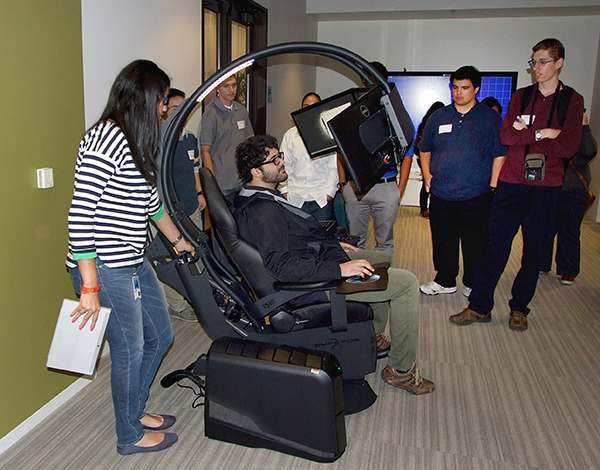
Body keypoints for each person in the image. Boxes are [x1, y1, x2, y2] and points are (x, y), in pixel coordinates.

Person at [232, 135, 435, 395]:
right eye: (274, 160)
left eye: (279, 155)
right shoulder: (263, 211)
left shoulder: (258, 196)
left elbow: (294, 237)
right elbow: (282, 266)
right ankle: (401, 371)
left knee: (382, 260)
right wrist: (340, 269)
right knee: (406, 283)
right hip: (313, 282)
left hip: (318, 258)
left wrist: (334, 245)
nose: (282, 163)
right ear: (255, 171)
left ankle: (371, 333)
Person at [66, 60, 195, 455]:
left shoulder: (138, 141)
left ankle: (134, 411)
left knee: (160, 335)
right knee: (129, 348)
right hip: (103, 267)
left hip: (132, 259)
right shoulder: (105, 140)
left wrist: (179, 241)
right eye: (161, 101)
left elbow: (151, 205)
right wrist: (89, 286)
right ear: (145, 97)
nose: (164, 108)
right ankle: (129, 435)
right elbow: (80, 215)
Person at [451, 38, 584, 331]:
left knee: (534, 252)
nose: (535, 68)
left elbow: (568, 146)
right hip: (512, 182)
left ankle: (519, 308)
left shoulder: (572, 101)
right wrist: (543, 133)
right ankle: (479, 306)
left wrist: (531, 132)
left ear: (559, 63)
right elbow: (507, 137)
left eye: (542, 62)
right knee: (495, 246)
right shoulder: (522, 96)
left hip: (546, 187)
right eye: (533, 62)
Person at [418, 66, 506, 298]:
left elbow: (500, 153)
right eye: (455, 87)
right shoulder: (438, 117)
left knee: (475, 243)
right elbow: (424, 149)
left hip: (476, 194)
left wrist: (494, 186)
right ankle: (445, 280)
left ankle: (472, 282)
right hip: (442, 193)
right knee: (443, 241)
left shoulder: (490, 118)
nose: (459, 92)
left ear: (476, 89)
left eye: (465, 88)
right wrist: (427, 176)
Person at [342, 61, 409, 260]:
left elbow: (408, 152)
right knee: (355, 240)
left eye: (372, 78)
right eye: (365, 78)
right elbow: (341, 146)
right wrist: (343, 182)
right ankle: (358, 278)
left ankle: (384, 280)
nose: (368, 82)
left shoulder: (395, 111)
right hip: (356, 187)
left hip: (386, 186)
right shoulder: (353, 110)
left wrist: (400, 189)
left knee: (384, 241)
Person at [161, 88, 205, 321]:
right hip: (169, 212)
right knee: (174, 257)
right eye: (175, 108)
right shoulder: (161, 141)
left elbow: (195, 169)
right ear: (165, 109)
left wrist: (199, 193)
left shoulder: (190, 139)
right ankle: (177, 305)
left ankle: (197, 297)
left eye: (184, 108)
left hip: (191, 206)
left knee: (196, 252)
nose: (181, 113)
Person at [541, 112, 597, 285]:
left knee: (570, 229)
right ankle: (541, 263)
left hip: (573, 189)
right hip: (549, 185)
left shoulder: (579, 130)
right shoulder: (549, 124)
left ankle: (568, 270)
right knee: (544, 228)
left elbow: (589, 152)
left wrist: (584, 126)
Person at [278, 92, 339, 221]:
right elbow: (283, 165)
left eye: (314, 106)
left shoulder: (328, 135)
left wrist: (329, 193)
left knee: (321, 238)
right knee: (296, 237)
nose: (310, 110)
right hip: (295, 198)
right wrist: (284, 191)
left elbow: (333, 167)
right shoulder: (290, 135)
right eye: (306, 106)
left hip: (320, 199)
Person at [199, 74, 254, 197]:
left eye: (234, 85)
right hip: (222, 183)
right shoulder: (210, 115)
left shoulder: (241, 110)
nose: (231, 90)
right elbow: (205, 152)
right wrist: (212, 183)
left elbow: (249, 143)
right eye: (226, 86)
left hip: (242, 180)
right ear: (217, 89)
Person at [414, 101, 445, 218]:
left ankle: (424, 208)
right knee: (428, 182)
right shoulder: (432, 123)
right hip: (427, 156)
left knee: (426, 182)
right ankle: (425, 208)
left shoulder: (426, 122)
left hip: (424, 156)